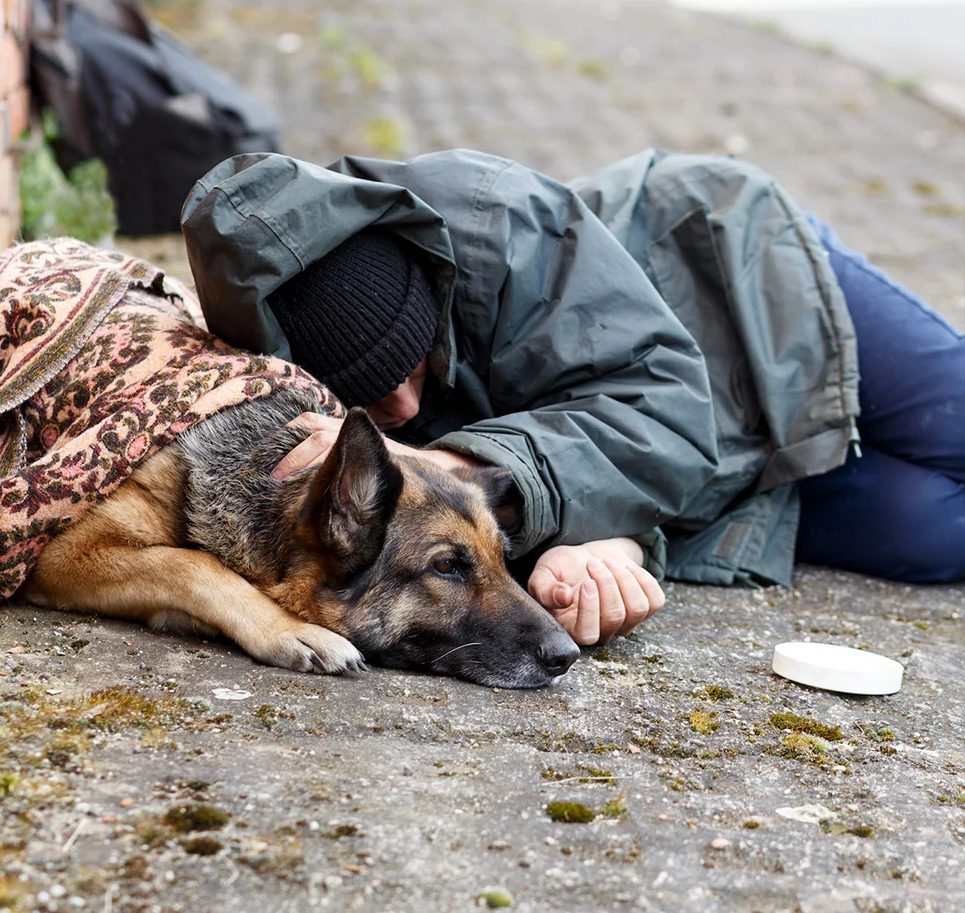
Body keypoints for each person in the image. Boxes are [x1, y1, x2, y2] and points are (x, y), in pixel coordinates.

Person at [180, 148, 965, 646]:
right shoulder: (286, 390)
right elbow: (485, 536)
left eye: (411, 362)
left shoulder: (495, 218)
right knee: (936, 535)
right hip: (704, 471)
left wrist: (443, 463)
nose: (404, 409)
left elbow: (663, 397)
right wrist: (603, 549)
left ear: (426, 288)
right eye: (366, 394)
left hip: (739, 285)